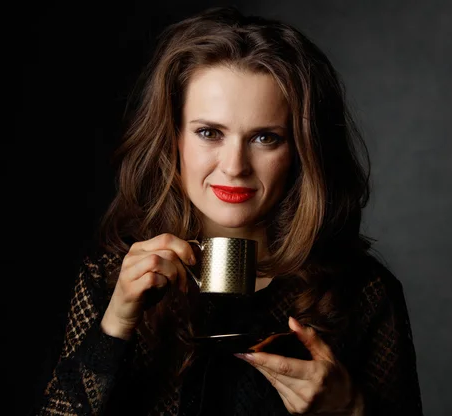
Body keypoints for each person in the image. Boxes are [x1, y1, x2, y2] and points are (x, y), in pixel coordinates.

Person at [32, 6, 423, 416]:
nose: (235, 166)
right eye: (209, 133)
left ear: (300, 152)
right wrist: (115, 325)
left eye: (265, 138)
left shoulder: (362, 292)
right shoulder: (111, 276)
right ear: (173, 138)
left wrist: (351, 409)